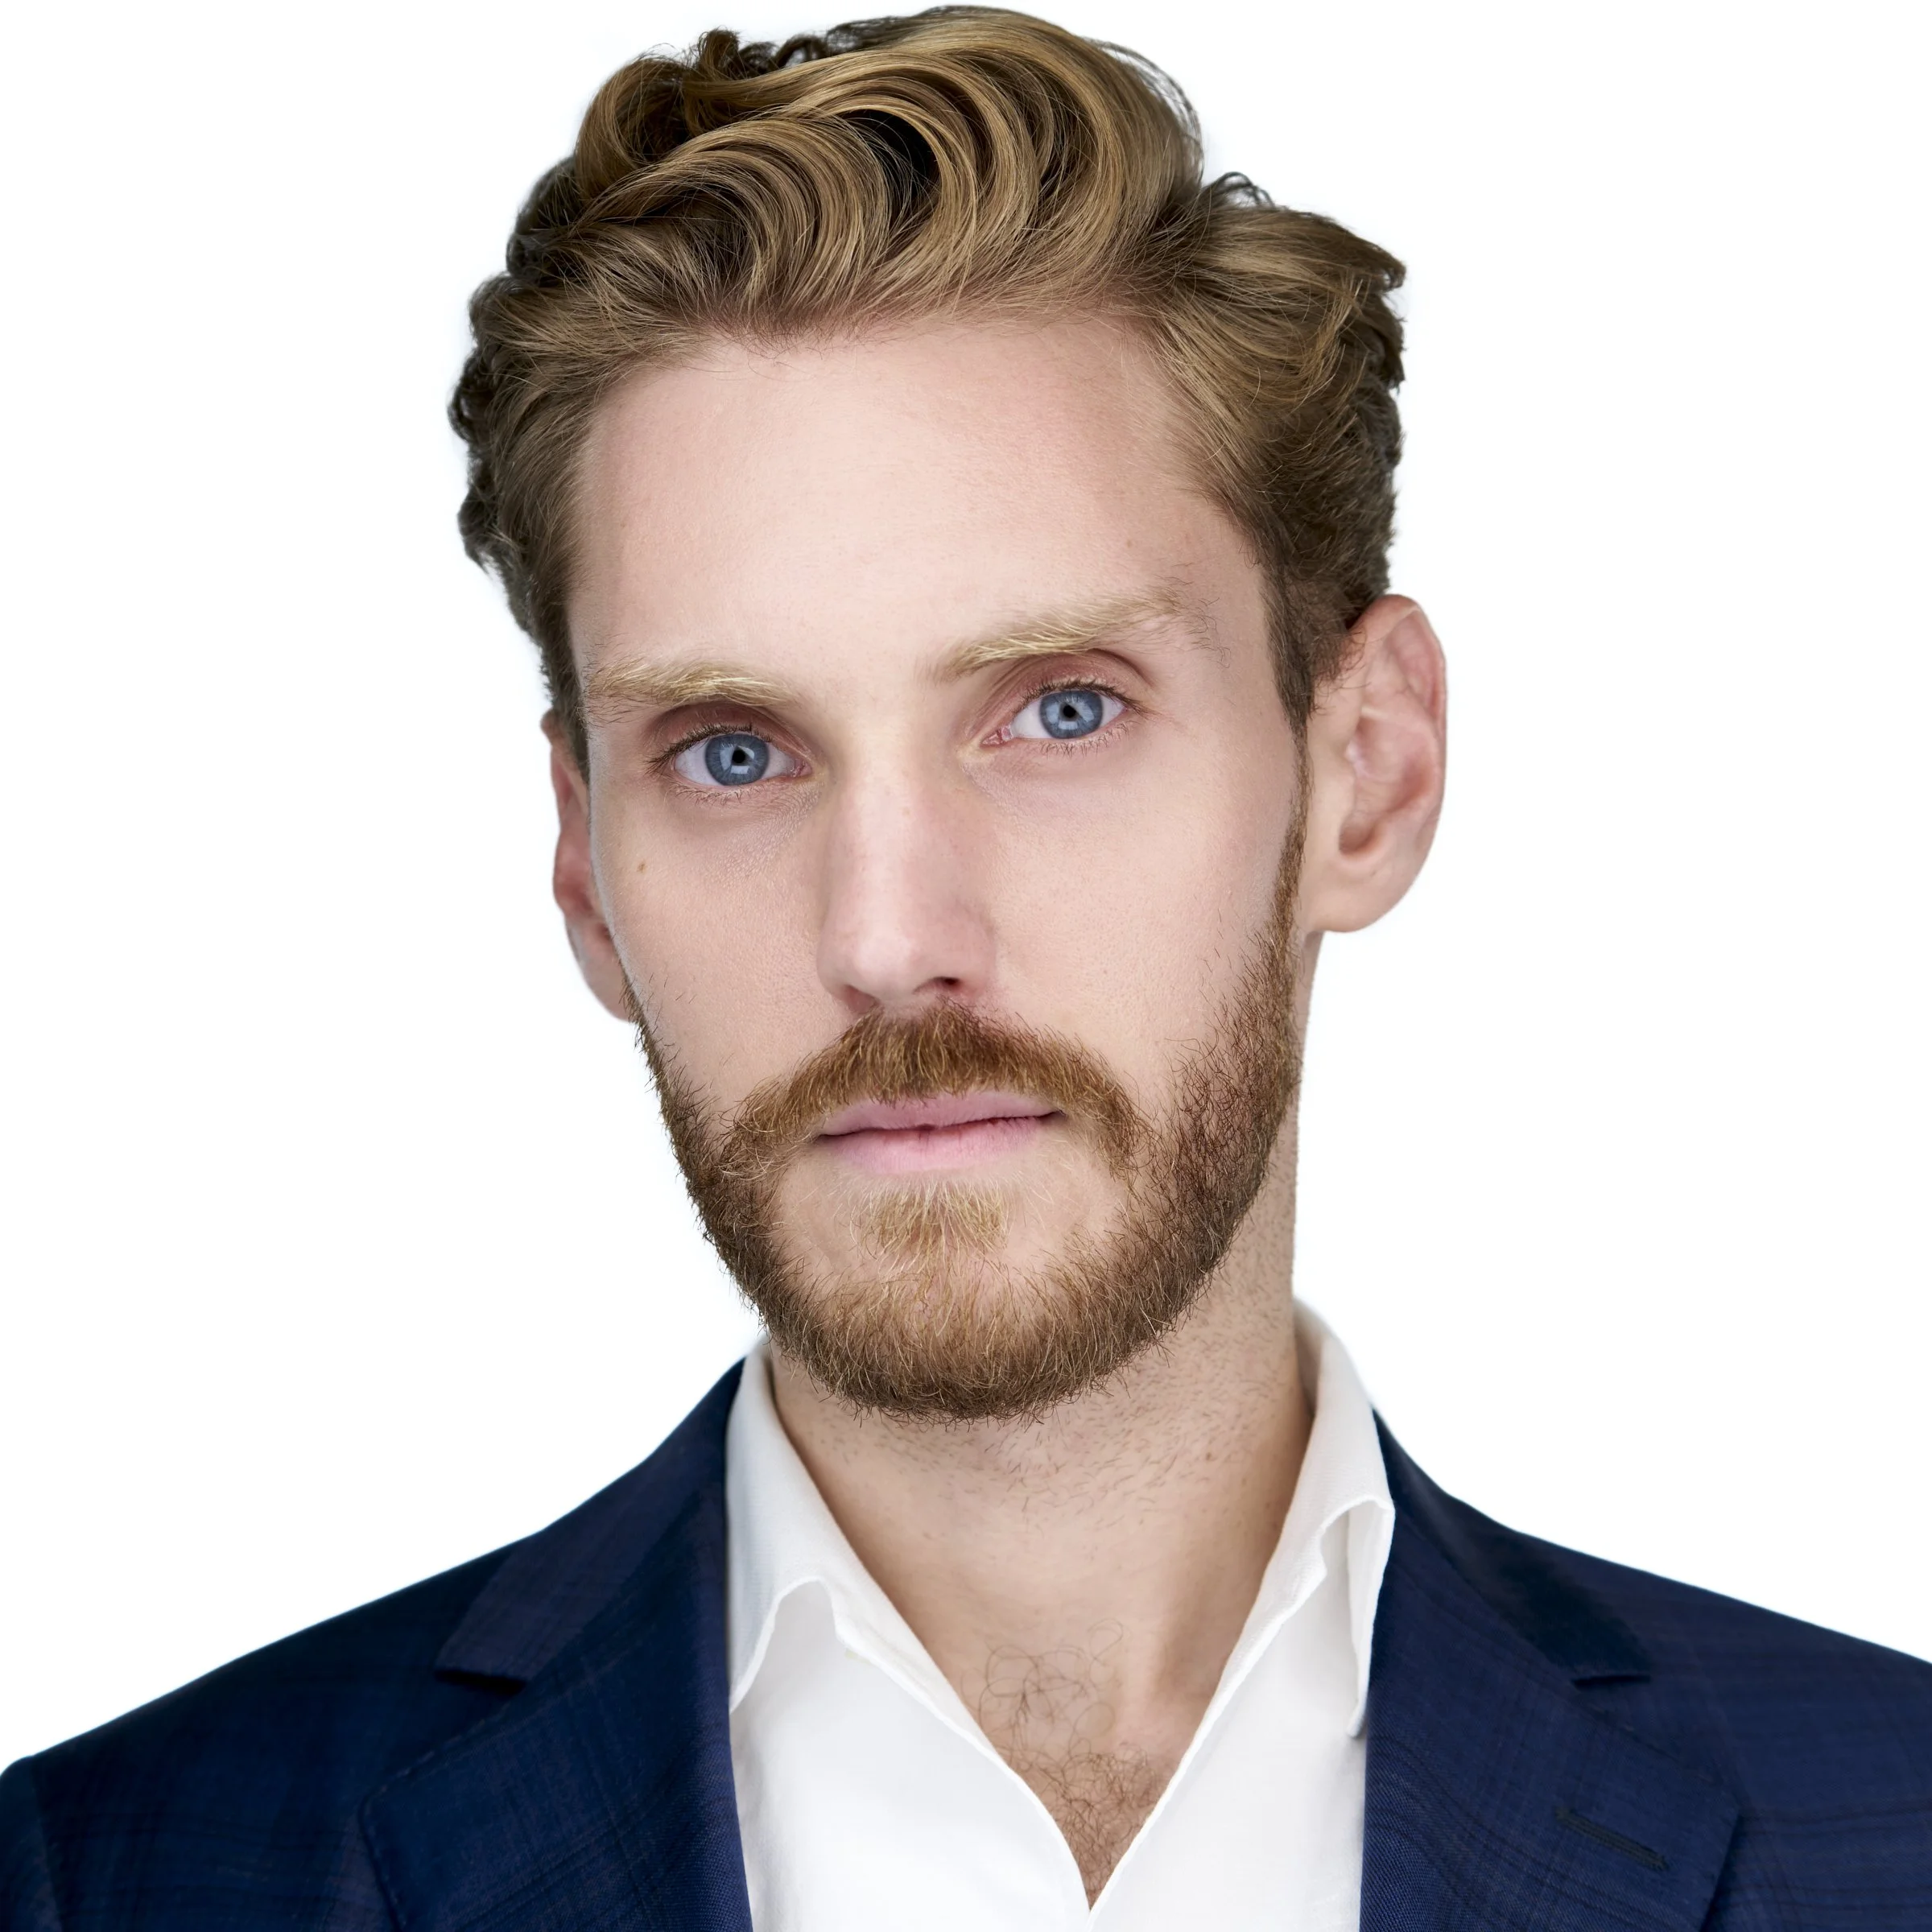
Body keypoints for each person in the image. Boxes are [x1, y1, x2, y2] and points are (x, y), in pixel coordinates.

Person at [5, 9, 1928, 1928]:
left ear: (1367, 774)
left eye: (1062, 712)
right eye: (734, 753)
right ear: (588, 864)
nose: (888, 939)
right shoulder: (108, 1878)